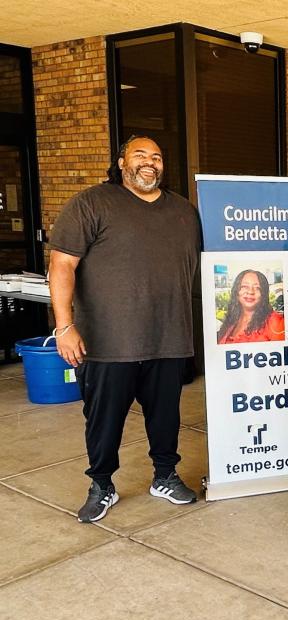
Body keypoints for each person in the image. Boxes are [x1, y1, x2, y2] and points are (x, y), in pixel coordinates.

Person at [48, 135, 201, 523]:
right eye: (140, 155)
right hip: (108, 342)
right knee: (104, 419)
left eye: (157, 155)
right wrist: (64, 326)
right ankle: (102, 484)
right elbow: (62, 265)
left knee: (166, 416)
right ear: (121, 163)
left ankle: (164, 475)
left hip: (169, 337)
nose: (150, 162)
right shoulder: (91, 203)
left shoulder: (184, 211)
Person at [217, 269, 285, 344]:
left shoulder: (275, 322)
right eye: (245, 286)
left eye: (257, 288)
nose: (250, 292)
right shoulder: (231, 321)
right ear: (236, 291)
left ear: (263, 294)